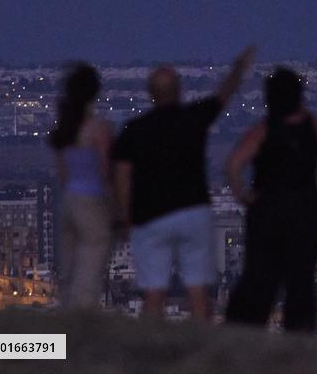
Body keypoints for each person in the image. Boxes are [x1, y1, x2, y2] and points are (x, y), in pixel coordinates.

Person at [111, 46, 255, 319]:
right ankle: (201, 355)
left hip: (150, 217)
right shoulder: (193, 117)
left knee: (154, 294)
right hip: (192, 212)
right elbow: (223, 95)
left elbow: (120, 175)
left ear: (150, 95)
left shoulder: (134, 130)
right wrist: (238, 67)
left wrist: (124, 216)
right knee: (198, 292)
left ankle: (151, 355)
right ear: (179, 90)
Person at [225, 66, 317, 332]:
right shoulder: (312, 126)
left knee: (260, 276)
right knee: (301, 278)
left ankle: (245, 331)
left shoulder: (263, 130)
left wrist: (245, 196)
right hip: (306, 209)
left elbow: (233, 165)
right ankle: (299, 334)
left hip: (269, 210)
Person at [49, 63, 113, 308]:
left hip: (68, 202)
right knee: (90, 268)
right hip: (92, 203)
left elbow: (63, 173)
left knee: (68, 268)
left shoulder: (64, 129)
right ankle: (81, 326)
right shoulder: (98, 128)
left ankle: (67, 322)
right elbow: (106, 172)